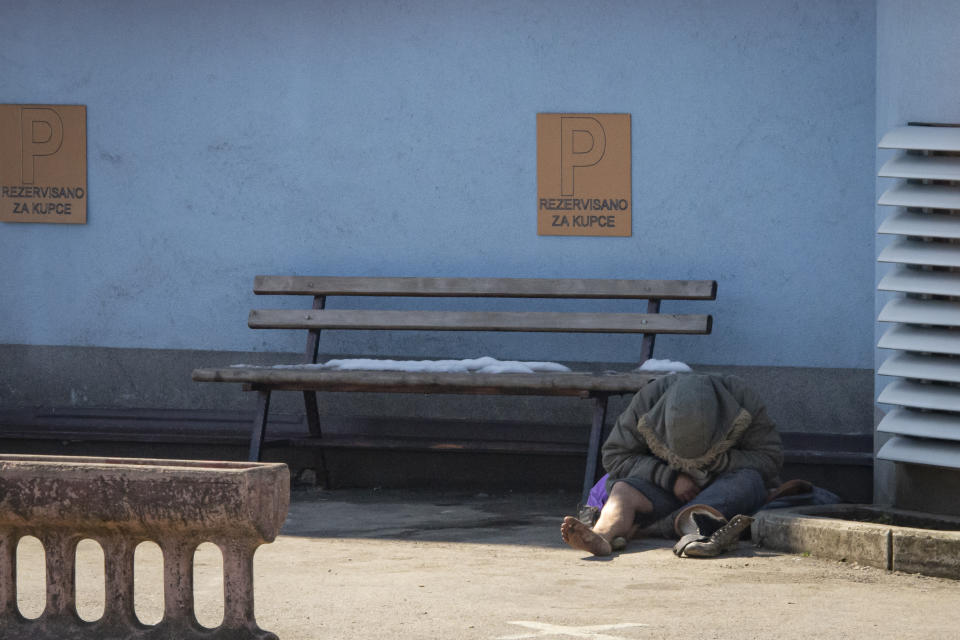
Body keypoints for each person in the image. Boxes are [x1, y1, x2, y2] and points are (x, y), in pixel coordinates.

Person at [561, 372, 783, 557]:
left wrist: (718, 462)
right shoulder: (647, 403)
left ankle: (688, 529)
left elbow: (770, 459)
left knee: (749, 481)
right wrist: (670, 478)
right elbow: (615, 456)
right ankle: (601, 535)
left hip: (720, 489)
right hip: (665, 490)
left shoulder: (744, 403)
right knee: (621, 490)